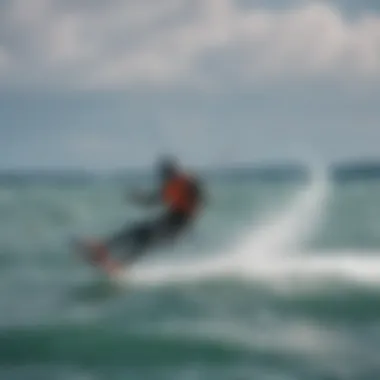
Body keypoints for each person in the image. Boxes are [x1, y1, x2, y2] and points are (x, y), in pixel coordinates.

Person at [82, 157, 204, 274]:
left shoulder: (187, 182)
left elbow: (200, 198)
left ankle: (121, 265)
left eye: (167, 173)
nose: (165, 177)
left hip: (182, 222)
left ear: (174, 170)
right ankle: (104, 247)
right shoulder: (170, 185)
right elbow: (153, 200)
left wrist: (192, 210)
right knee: (137, 230)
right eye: (164, 174)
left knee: (146, 240)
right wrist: (138, 198)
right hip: (171, 217)